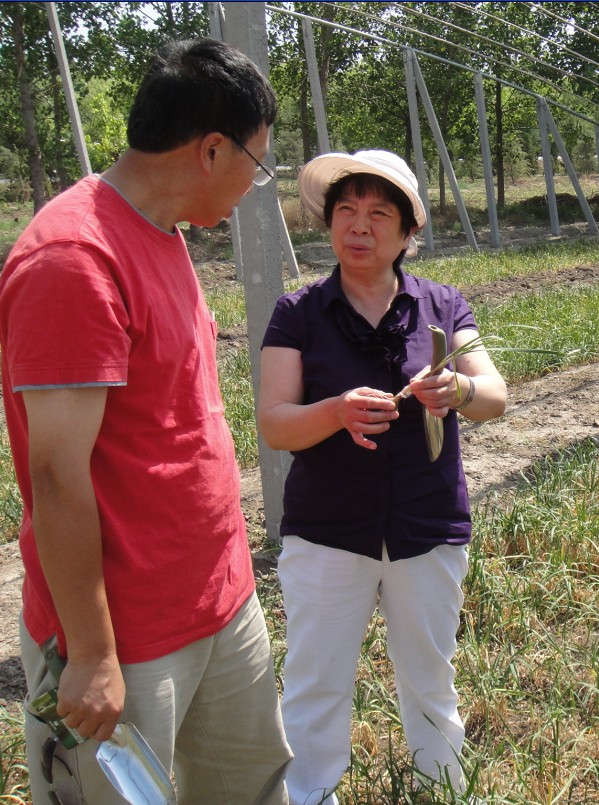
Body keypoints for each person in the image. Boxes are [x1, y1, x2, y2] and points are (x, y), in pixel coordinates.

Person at [0, 38, 292, 803]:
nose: (255, 186)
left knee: (251, 788)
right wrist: (93, 653)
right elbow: (56, 475)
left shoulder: (164, 231)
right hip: (125, 638)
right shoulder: (73, 259)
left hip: (218, 599)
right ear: (211, 150)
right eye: (257, 165)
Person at [258, 150, 506, 804]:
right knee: (315, 681)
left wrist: (457, 389)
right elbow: (275, 423)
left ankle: (440, 790)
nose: (358, 226)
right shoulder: (298, 312)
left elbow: (494, 395)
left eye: (377, 214)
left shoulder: (442, 306)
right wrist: (335, 412)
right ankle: (309, 794)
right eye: (345, 210)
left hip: (426, 524)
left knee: (429, 679)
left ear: (407, 232)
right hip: (327, 530)